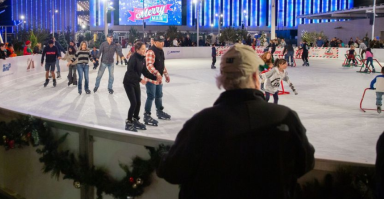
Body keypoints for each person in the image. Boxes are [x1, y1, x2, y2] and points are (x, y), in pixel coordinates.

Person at [156, 44, 315, 199]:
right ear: (255, 76)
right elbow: (305, 163)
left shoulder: (202, 123)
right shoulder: (285, 117)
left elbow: (172, 171)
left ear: (222, 79)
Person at [123, 42, 159, 132]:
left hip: (135, 82)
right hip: (128, 82)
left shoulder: (142, 59)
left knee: (138, 102)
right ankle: (128, 122)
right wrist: (140, 80)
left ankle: (135, 119)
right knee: (134, 103)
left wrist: (155, 77)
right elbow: (130, 72)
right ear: (137, 50)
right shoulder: (133, 58)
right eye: (142, 49)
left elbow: (145, 71)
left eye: (145, 48)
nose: (144, 50)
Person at [144, 35, 170, 124]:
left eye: (163, 41)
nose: (163, 43)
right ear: (155, 42)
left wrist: (166, 74)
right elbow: (149, 65)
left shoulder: (161, 51)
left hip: (158, 79)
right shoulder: (151, 51)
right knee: (151, 96)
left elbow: (162, 65)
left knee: (159, 95)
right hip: (151, 79)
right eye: (160, 41)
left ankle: (159, 112)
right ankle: (147, 115)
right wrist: (157, 74)